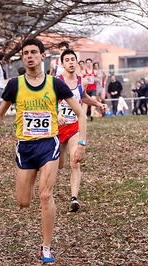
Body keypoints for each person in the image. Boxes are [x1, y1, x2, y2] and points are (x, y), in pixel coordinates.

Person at [0, 38, 87, 264]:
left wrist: (82, 144)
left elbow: (81, 113)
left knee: (46, 195)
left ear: (43, 56)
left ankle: (46, 248)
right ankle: (32, 186)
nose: (29, 56)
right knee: (24, 201)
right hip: (25, 148)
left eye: (34, 52)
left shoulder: (55, 84)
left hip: (49, 144)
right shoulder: (15, 85)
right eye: (25, 52)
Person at [57, 49, 105, 212]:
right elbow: (48, 101)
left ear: (77, 63)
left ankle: (74, 199)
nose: (71, 62)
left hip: (73, 126)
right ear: (62, 63)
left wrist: (97, 104)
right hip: (57, 127)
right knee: (59, 165)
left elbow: (83, 97)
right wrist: (56, 114)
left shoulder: (81, 81)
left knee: (74, 162)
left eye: (73, 59)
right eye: (67, 60)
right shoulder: (56, 81)